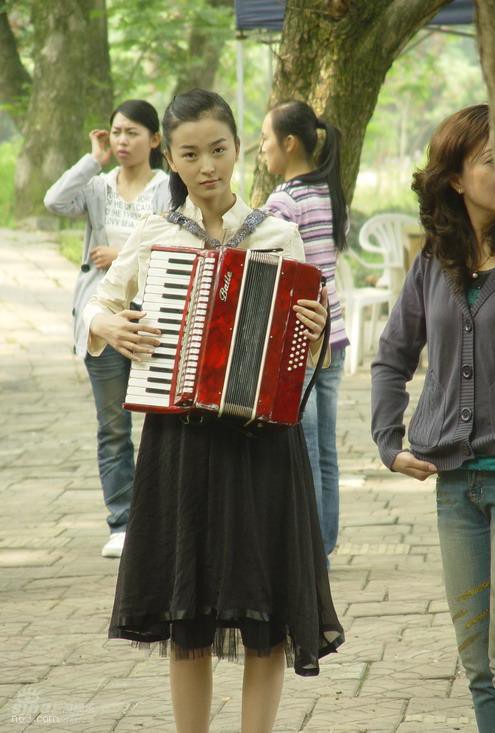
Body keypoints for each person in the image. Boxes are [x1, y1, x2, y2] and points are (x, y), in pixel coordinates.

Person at [82, 89, 344, 733]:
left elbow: (307, 354)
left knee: (266, 612)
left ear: (237, 150)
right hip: (181, 441)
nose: (207, 166)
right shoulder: (156, 234)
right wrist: (108, 326)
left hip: (262, 445)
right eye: (191, 154)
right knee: (187, 612)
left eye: (218, 150)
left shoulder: (278, 234)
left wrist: (313, 333)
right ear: (170, 159)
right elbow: (98, 305)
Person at [371, 103, 495, 732]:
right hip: (454, 488)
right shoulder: (433, 261)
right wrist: (388, 441)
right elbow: (392, 355)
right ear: (454, 177)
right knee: (478, 666)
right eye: (492, 160)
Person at [44, 100, 171, 558]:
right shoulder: (98, 187)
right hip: (102, 319)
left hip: (154, 316)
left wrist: (121, 255)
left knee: (163, 423)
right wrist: (91, 160)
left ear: (154, 140)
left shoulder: (166, 189)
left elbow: (177, 240)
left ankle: (161, 520)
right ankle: (122, 522)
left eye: (132, 132)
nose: (122, 140)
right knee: (114, 426)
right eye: (116, 132)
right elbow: (55, 201)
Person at [261, 100, 349, 561]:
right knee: (326, 449)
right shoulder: (329, 190)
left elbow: (272, 272)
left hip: (304, 337)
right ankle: (325, 544)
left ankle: (309, 551)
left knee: (307, 447)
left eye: (265, 139)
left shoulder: (284, 201)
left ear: (289, 143)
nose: (262, 149)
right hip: (334, 331)